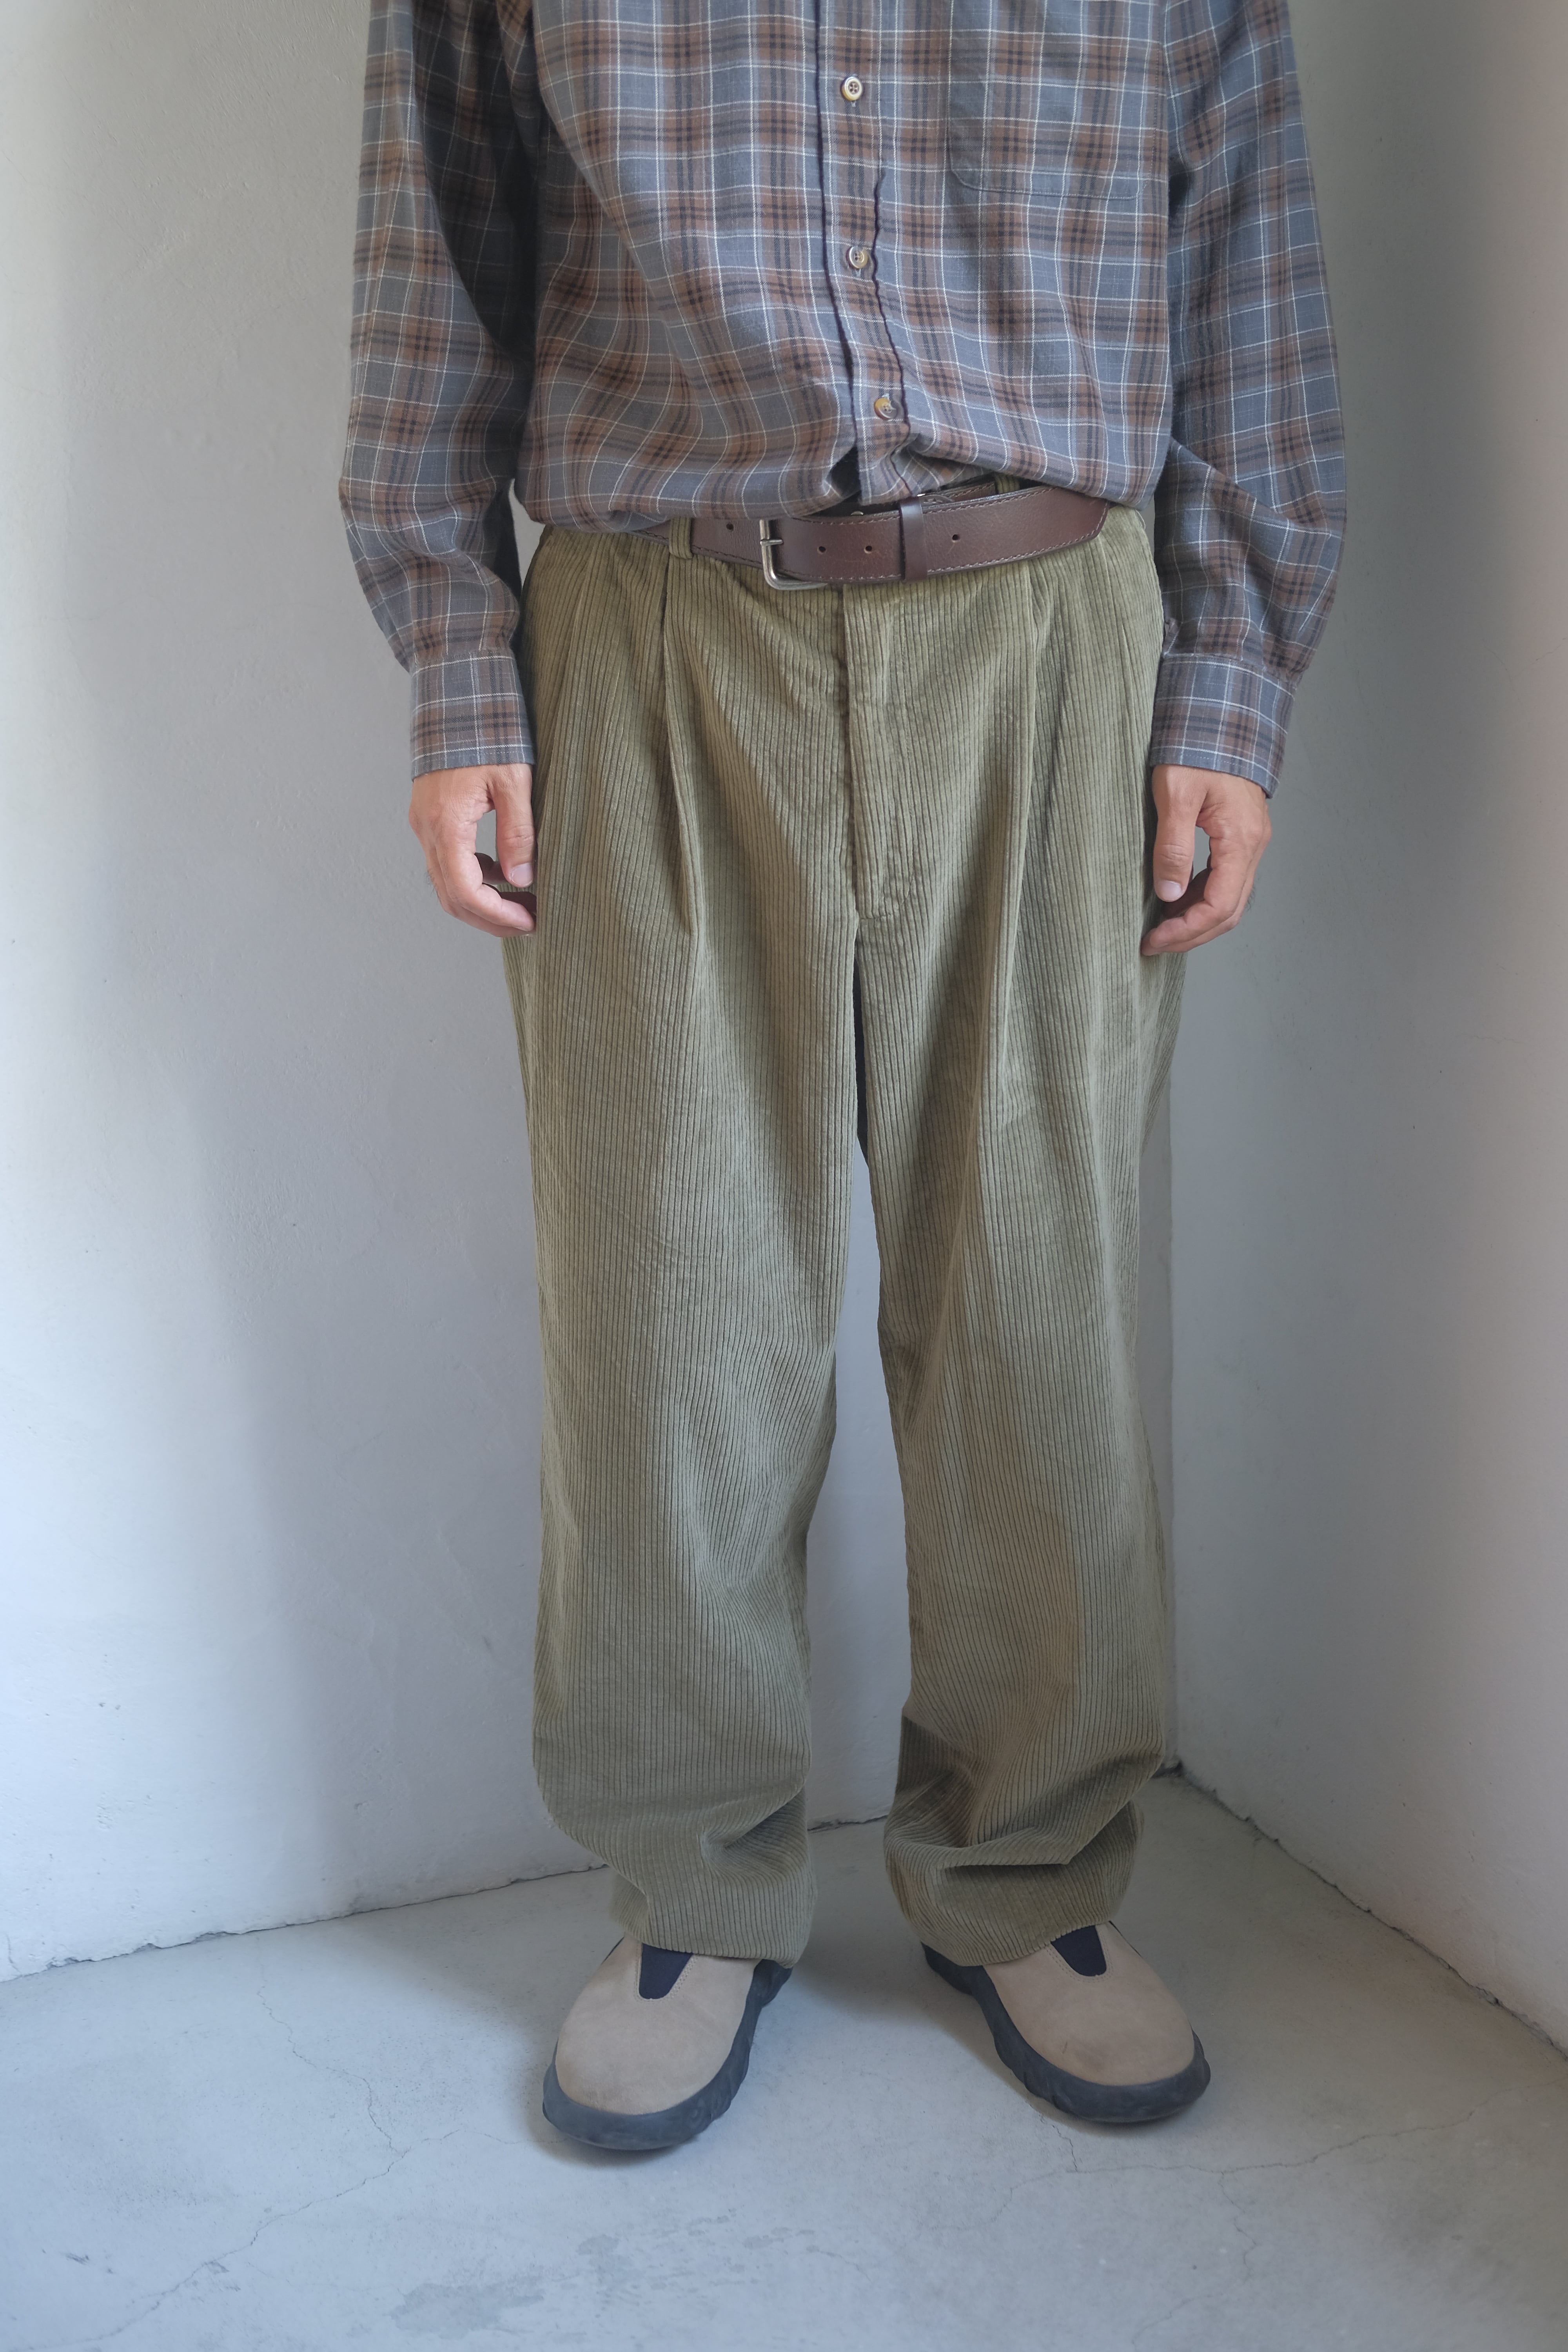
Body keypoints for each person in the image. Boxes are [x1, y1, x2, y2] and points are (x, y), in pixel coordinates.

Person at [340, 0, 1343, 2151]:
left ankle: (1030, 1873)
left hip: (1051, 632)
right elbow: (437, 242)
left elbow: (1245, 241)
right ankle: (693, 1886)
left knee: (1036, 1294)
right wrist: (456, 668)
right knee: (669, 1302)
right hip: (653, 629)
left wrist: (1231, 683)